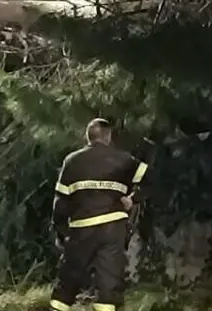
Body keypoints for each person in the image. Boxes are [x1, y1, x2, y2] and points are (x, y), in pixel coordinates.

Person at [45, 118, 148, 311]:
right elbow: (151, 178)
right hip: (113, 227)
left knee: (69, 277)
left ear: (88, 137)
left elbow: (60, 201)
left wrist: (60, 231)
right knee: (109, 281)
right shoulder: (124, 159)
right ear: (108, 137)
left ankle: (59, 307)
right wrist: (133, 198)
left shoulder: (72, 161)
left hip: (81, 228)